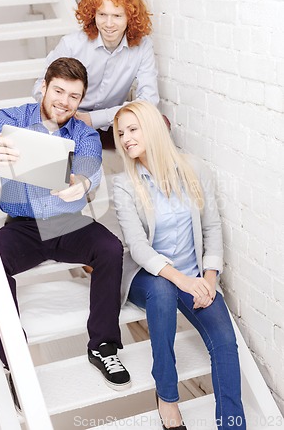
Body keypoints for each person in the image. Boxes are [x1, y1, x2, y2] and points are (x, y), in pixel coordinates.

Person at [0, 57, 131, 393]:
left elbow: (90, 165)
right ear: (44, 87)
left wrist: (83, 184)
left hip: (67, 223)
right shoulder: (13, 118)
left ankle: (103, 346)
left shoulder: (84, 133)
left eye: (73, 96)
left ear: (81, 100)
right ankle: (14, 359)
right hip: (23, 226)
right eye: (58, 91)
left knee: (110, 248)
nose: (64, 101)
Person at [112, 101, 246, 429]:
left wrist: (209, 279)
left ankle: (232, 424)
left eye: (132, 129)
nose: (125, 138)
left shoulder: (194, 169)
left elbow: (212, 227)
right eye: (120, 133)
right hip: (150, 276)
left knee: (226, 343)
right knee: (162, 290)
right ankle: (167, 397)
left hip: (194, 275)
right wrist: (183, 281)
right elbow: (139, 248)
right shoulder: (124, 185)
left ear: (152, 127)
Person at [32, 0, 160, 147]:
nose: (109, 24)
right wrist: (64, 111)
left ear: (130, 17)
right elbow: (40, 86)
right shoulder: (72, 44)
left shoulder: (143, 47)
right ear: (93, 15)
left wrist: (94, 119)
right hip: (71, 121)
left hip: (113, 124)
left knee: (159, 126)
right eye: (102, 14)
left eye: (117, 16)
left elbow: (148, 101)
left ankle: (142, 175)